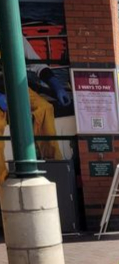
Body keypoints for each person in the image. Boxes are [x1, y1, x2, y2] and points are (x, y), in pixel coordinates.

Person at [0, 37, 70, 183]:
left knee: (44, 108)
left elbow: (37, 65)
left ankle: (52, 162)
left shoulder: (15, 36)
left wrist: (56, 85)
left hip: (16, 84)